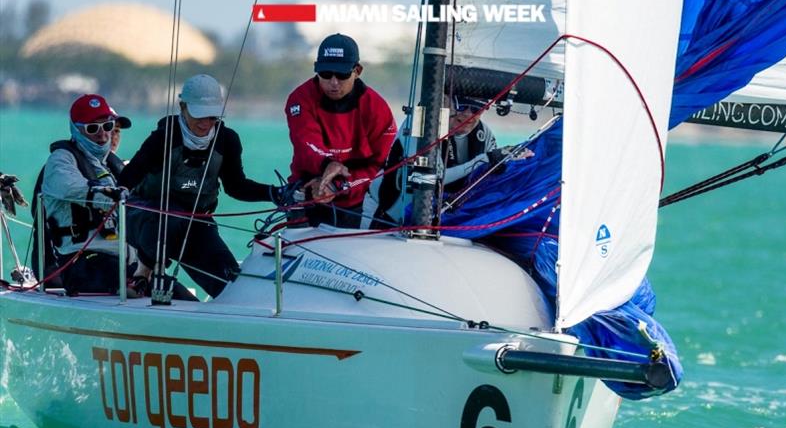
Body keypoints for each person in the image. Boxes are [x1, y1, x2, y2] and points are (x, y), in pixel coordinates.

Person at [118, 74, 280, 299]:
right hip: (148, 219)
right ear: (182, 107)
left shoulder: (227, 140)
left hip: (195, 222)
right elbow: (128, 177)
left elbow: (236, 186)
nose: (205, 123)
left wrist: (275, 193)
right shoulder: (163, 138)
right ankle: (143, 273)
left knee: (231, 286)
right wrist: (114, 191)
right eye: (199, 116)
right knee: (172, 216)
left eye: (212, 116)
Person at [285, 33, 396, 228]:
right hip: (308, 195)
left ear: (357, 70)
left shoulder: (377, 108)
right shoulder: (300, 99)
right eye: (326, 74)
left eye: (342, 74)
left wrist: (339, 185)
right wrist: (328, 164)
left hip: (359, 204)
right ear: (316, 70)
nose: (333, 82)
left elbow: (382, 165)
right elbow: (306, 144)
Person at [36, 94, 130, 295]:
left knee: (170, 287)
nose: (104, 135)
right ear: (76, 129)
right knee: (132, 280)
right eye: (92, 128)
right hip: (80, 261)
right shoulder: (60, 161)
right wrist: (108, 195)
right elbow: (72, 188)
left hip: (121, 257)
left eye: (108, 126)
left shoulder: (113, 166)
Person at [363, 95, 501, 228]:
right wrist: (480, 161)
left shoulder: (484, 133)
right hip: (385, 211)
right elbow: (428, 178)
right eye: (462, 106)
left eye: (477, 109)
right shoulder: (421, 122)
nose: (468, 115)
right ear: (445, 101)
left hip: (435, 219)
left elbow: (492, 173)